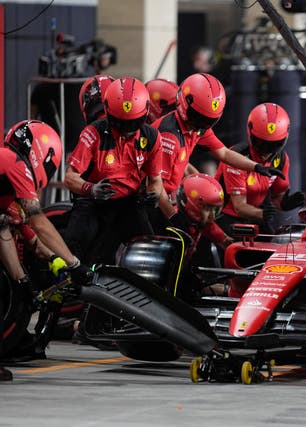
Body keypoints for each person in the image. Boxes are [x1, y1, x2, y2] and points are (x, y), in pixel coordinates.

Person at [0, 120, 94, 377]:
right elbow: (38, 222)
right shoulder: (14, 163)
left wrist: (54, 262)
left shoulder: (7, 176)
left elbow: (28, 237)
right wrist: (74, 264)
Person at [152, 76, 288, 228]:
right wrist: (173, 216)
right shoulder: (170, 137)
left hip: (163, 199)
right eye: (199, 118)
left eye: (209, 121)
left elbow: (223, 153)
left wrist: (256, 167)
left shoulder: (196, 128)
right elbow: (155, 186)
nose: (202, 124)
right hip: (153, 202)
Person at [64, 77, 165, 266]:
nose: (127, 130)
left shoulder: (151, 137)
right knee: (76, 247)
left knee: (151, 252)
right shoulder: (92, 132)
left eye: (133, 123)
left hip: (129, 203)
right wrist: (91, 189)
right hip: (92, 202)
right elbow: (70, 177)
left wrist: (153, 194)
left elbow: (155, 180)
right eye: (120, 123)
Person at [215, 102, 305, 235]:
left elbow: (277, 198)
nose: (267, 151)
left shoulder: (281, 160)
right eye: (261, 144)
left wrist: (286, 203)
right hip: (227, 217)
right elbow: (239, 207)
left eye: (274, 145)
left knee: (274, 249)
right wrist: (262, 213)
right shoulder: (237, 156)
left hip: (257, 217)